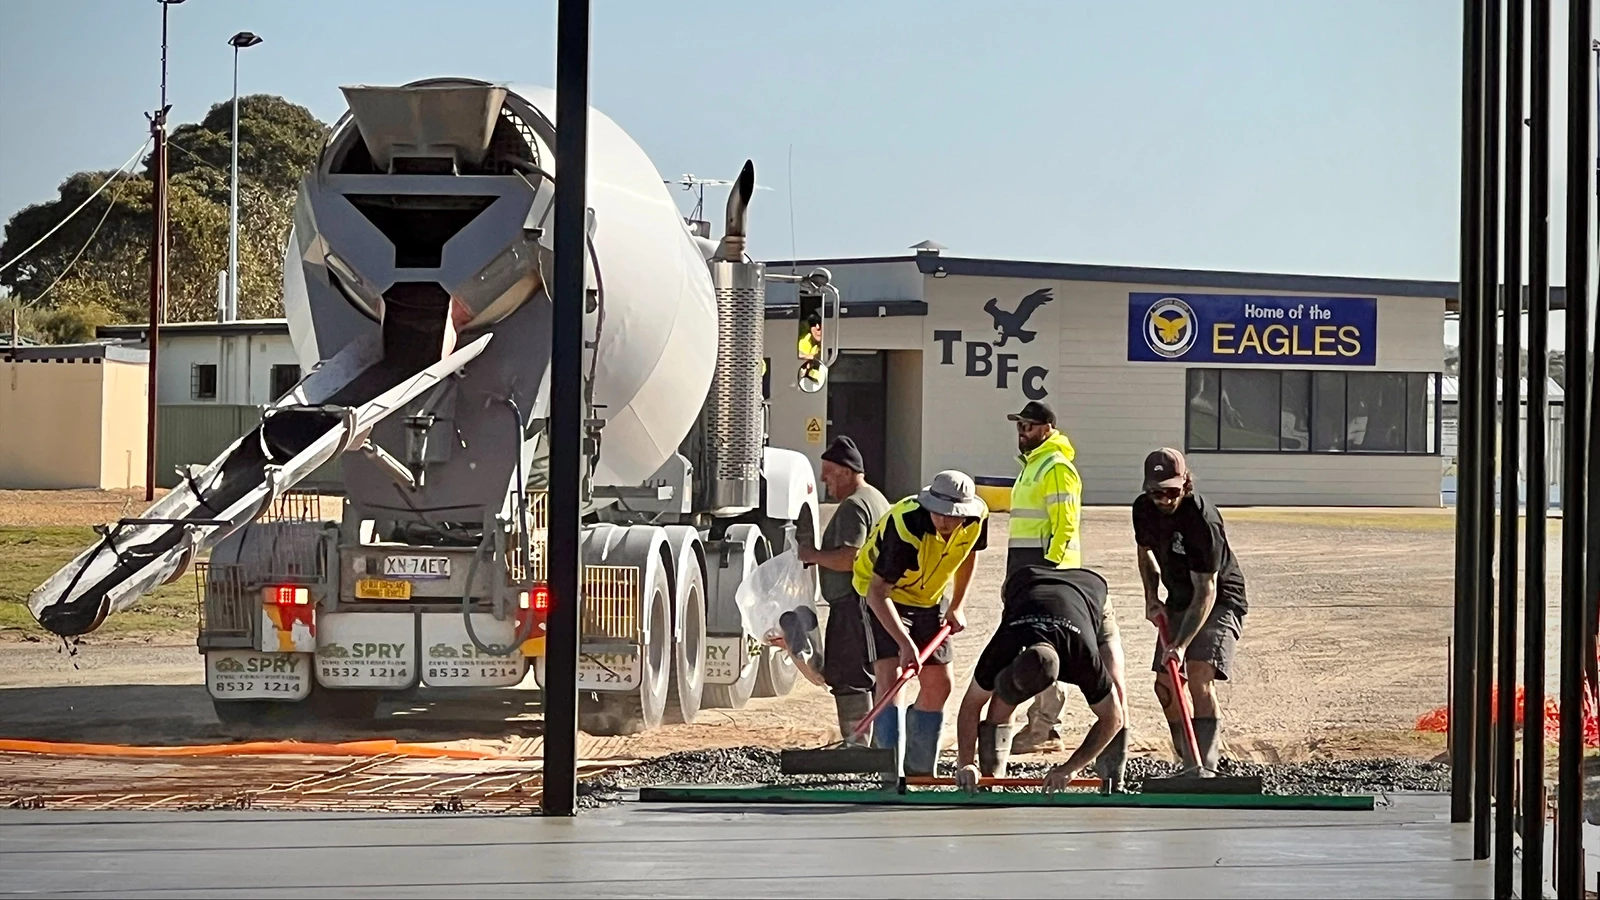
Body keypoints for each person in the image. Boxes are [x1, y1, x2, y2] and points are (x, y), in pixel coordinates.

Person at [851, 470, 990, 775]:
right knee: (893, 678)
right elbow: (877, 592)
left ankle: (919, 768)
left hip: (929, 598)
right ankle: (891, 770)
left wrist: (957, 605)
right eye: (939, 513)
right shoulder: (905, 529)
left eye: (953, 516)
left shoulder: (977, 518)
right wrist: (905, 643)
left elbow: (968, 555)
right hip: (886, 595)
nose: (944, 521)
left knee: (940, 683)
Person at [954, 565, 1128, 793]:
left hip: (1089, 590)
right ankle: (990, 780)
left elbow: (1113, 718)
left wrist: (1070, 769)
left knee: (1116, 687)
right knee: (1000, 699)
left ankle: (1113, 780)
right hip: (1026, 583)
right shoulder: (1005, 645)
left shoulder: (1082, 656)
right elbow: (971, 705)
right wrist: (966, 762)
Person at [1133, 448, 1248, 775]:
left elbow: (1206, 590)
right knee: (1165, 683)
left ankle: (1206, 767)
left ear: (1185, 484)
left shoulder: (1202, 519)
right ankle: (1188, 762)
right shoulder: (1143, 509)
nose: (1164, 500)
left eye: (1171, 492)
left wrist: (1181, 645)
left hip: (1220, 598)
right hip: (1180, 596)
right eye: (1156, 492)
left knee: (1197, 672)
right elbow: (1146, 555)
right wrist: (1151, 597)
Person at [1002, 400, 1102, 756]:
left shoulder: (1056, 467)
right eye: (1019, 426)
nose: (1021, 432)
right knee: (1027, 646)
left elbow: (1065, 524)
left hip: (1046, 571)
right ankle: (1037, 726)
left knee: (1045, 649)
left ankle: (1045, 728)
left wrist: (1049, 570)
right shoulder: (1033, 466)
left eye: (1027, 426)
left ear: (1046, 429)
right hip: (1026, 569)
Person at [796, 436, 891, 744]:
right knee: (873, 670)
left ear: (848, 472)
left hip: (852, 605)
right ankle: (879, 743)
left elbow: (852, 557)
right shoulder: (876, 498)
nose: (824, 479)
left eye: (829, 471)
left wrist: (813, 555)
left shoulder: (854, 506)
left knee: (849, 675)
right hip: (872, 603)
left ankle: (857, 743)